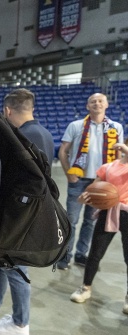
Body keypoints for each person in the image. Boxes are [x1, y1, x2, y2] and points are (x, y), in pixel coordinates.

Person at [0, 88, 54, 335]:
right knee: (4, 263)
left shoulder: (20, 137)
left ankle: (20, 323)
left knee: (16, 268)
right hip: (32, 212)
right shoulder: (44, 133)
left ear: (7, 110)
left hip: (19, 215)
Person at [56, 93, 124, 269]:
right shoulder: (76, 126)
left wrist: (112, 179)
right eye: (93, 101)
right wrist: (68, 173)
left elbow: (118, 156)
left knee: (90, 221)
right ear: (87, 106)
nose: (97, 103)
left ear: (107, 104)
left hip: (101, 182)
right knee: (71, 220)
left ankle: (81, 254)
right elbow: (63, 151)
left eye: (100, 101)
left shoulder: (116, 127)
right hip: (78, 180)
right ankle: (65, 256)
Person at [69, 139, 128, 315]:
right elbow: (93, 188)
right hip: (108, 212)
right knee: (95, 253)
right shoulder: (108, 167)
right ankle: (85, 288)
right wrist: (84, 197)